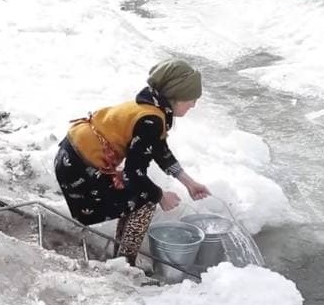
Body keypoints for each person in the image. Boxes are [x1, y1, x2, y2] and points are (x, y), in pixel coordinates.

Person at [54, 58, 211, 264]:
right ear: (176, 96)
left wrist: (188, 182)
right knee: (145, 200)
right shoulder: (151, 120)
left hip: (71, 160)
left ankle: (120, 257)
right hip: (80, 174)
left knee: (137, 194)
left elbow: (159, 150)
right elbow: (133, 174)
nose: (194, 104)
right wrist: (160, 195)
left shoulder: (148, 106)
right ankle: (124, 265)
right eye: (191, 99)